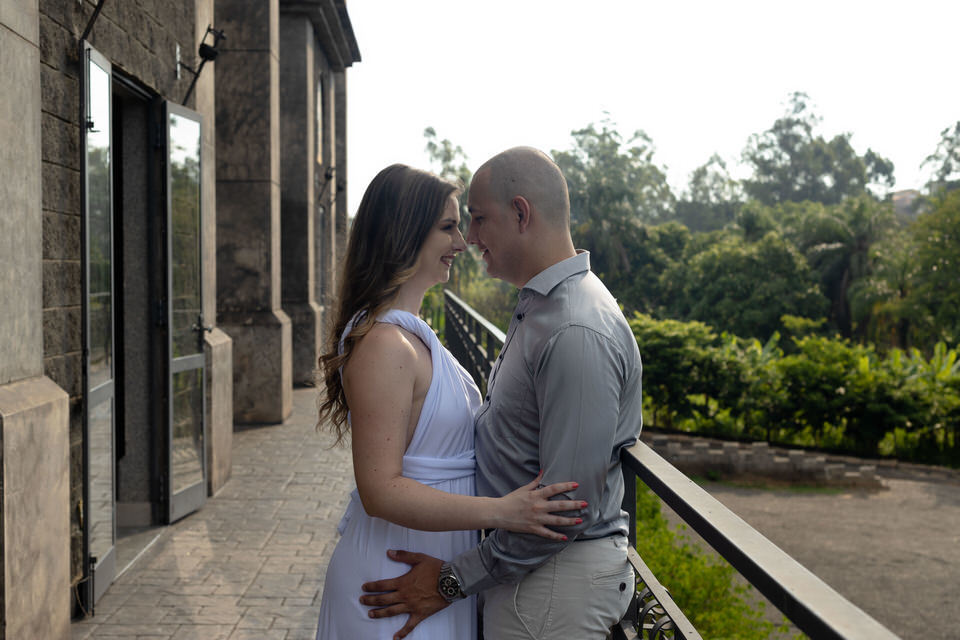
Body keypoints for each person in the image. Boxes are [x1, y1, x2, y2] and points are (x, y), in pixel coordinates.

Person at [358, 148, 644, 639]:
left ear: (521, 213)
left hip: (551, 587)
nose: (470, 238)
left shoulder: (573, 328)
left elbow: (563, 510)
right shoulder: (542, 309)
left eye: (477, 218)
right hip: (532, 581)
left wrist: (450, 580)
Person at [313, 164, 585, 639]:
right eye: (448, 227)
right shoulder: (384, 346)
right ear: (404, 232)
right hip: (394, 577)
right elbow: (379, 489)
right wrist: (505, 511)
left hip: (424, 568)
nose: (462, 243)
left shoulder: (408, 336)